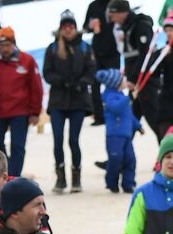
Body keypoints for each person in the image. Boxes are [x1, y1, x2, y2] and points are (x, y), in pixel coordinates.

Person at [44, 11, 97, 194]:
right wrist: (61, 81)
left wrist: (81, 83)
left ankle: (76, 177)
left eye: (71, 26)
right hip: (58, 100)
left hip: (78, 100)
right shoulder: (52, 48)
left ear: (75, 28)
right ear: (60, 29)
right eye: (65, 27)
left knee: (73, 140)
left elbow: (92, 71)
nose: (68, 30)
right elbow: (47, 72)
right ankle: (60, 177)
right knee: (57, 139)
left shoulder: (85, 48)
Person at [0, 28, 43, 178]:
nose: (5, 49)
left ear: (14, 44)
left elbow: (36, 87)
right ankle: (6, 171)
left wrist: (35, 112)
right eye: (2, 45)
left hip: (20, 111)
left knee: (18, 146)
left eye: (8, 45)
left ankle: (14, 176)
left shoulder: (27, 60)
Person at [97, 69, 142, 193]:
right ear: (116, 83)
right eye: (123, 79)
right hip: (114, 135)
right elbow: (116, 108)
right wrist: (129, 98)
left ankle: (128, 183)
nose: (126, 81)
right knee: (116, 159)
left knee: (130, 159)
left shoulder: (122, 96)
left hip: (126, 135)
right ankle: (112, 182)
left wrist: (137, 126)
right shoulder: (109, 96)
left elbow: (128, 114)